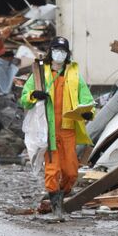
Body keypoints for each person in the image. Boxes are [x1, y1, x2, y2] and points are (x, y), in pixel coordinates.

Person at [21, 36, 95, 221]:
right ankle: (56, 208)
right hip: (48, 130)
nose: (59, 53)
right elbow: (24, 98)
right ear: (50, 51)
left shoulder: (73, 75)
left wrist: (88, 113)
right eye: (56, 49)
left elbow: (87, 100)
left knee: (71, 171)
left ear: (67, 53)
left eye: (62, 50)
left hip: (67, 128)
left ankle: (61, 195)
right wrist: (33, 94)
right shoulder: (40, 73)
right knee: (52, 170)